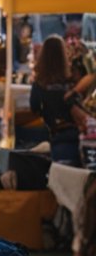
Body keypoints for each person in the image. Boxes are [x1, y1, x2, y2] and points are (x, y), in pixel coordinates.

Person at [30, 36, 83, 164]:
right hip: (77, 136)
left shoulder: (39, 84)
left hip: (55, 136)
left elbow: (34, 107)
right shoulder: (72, 83)